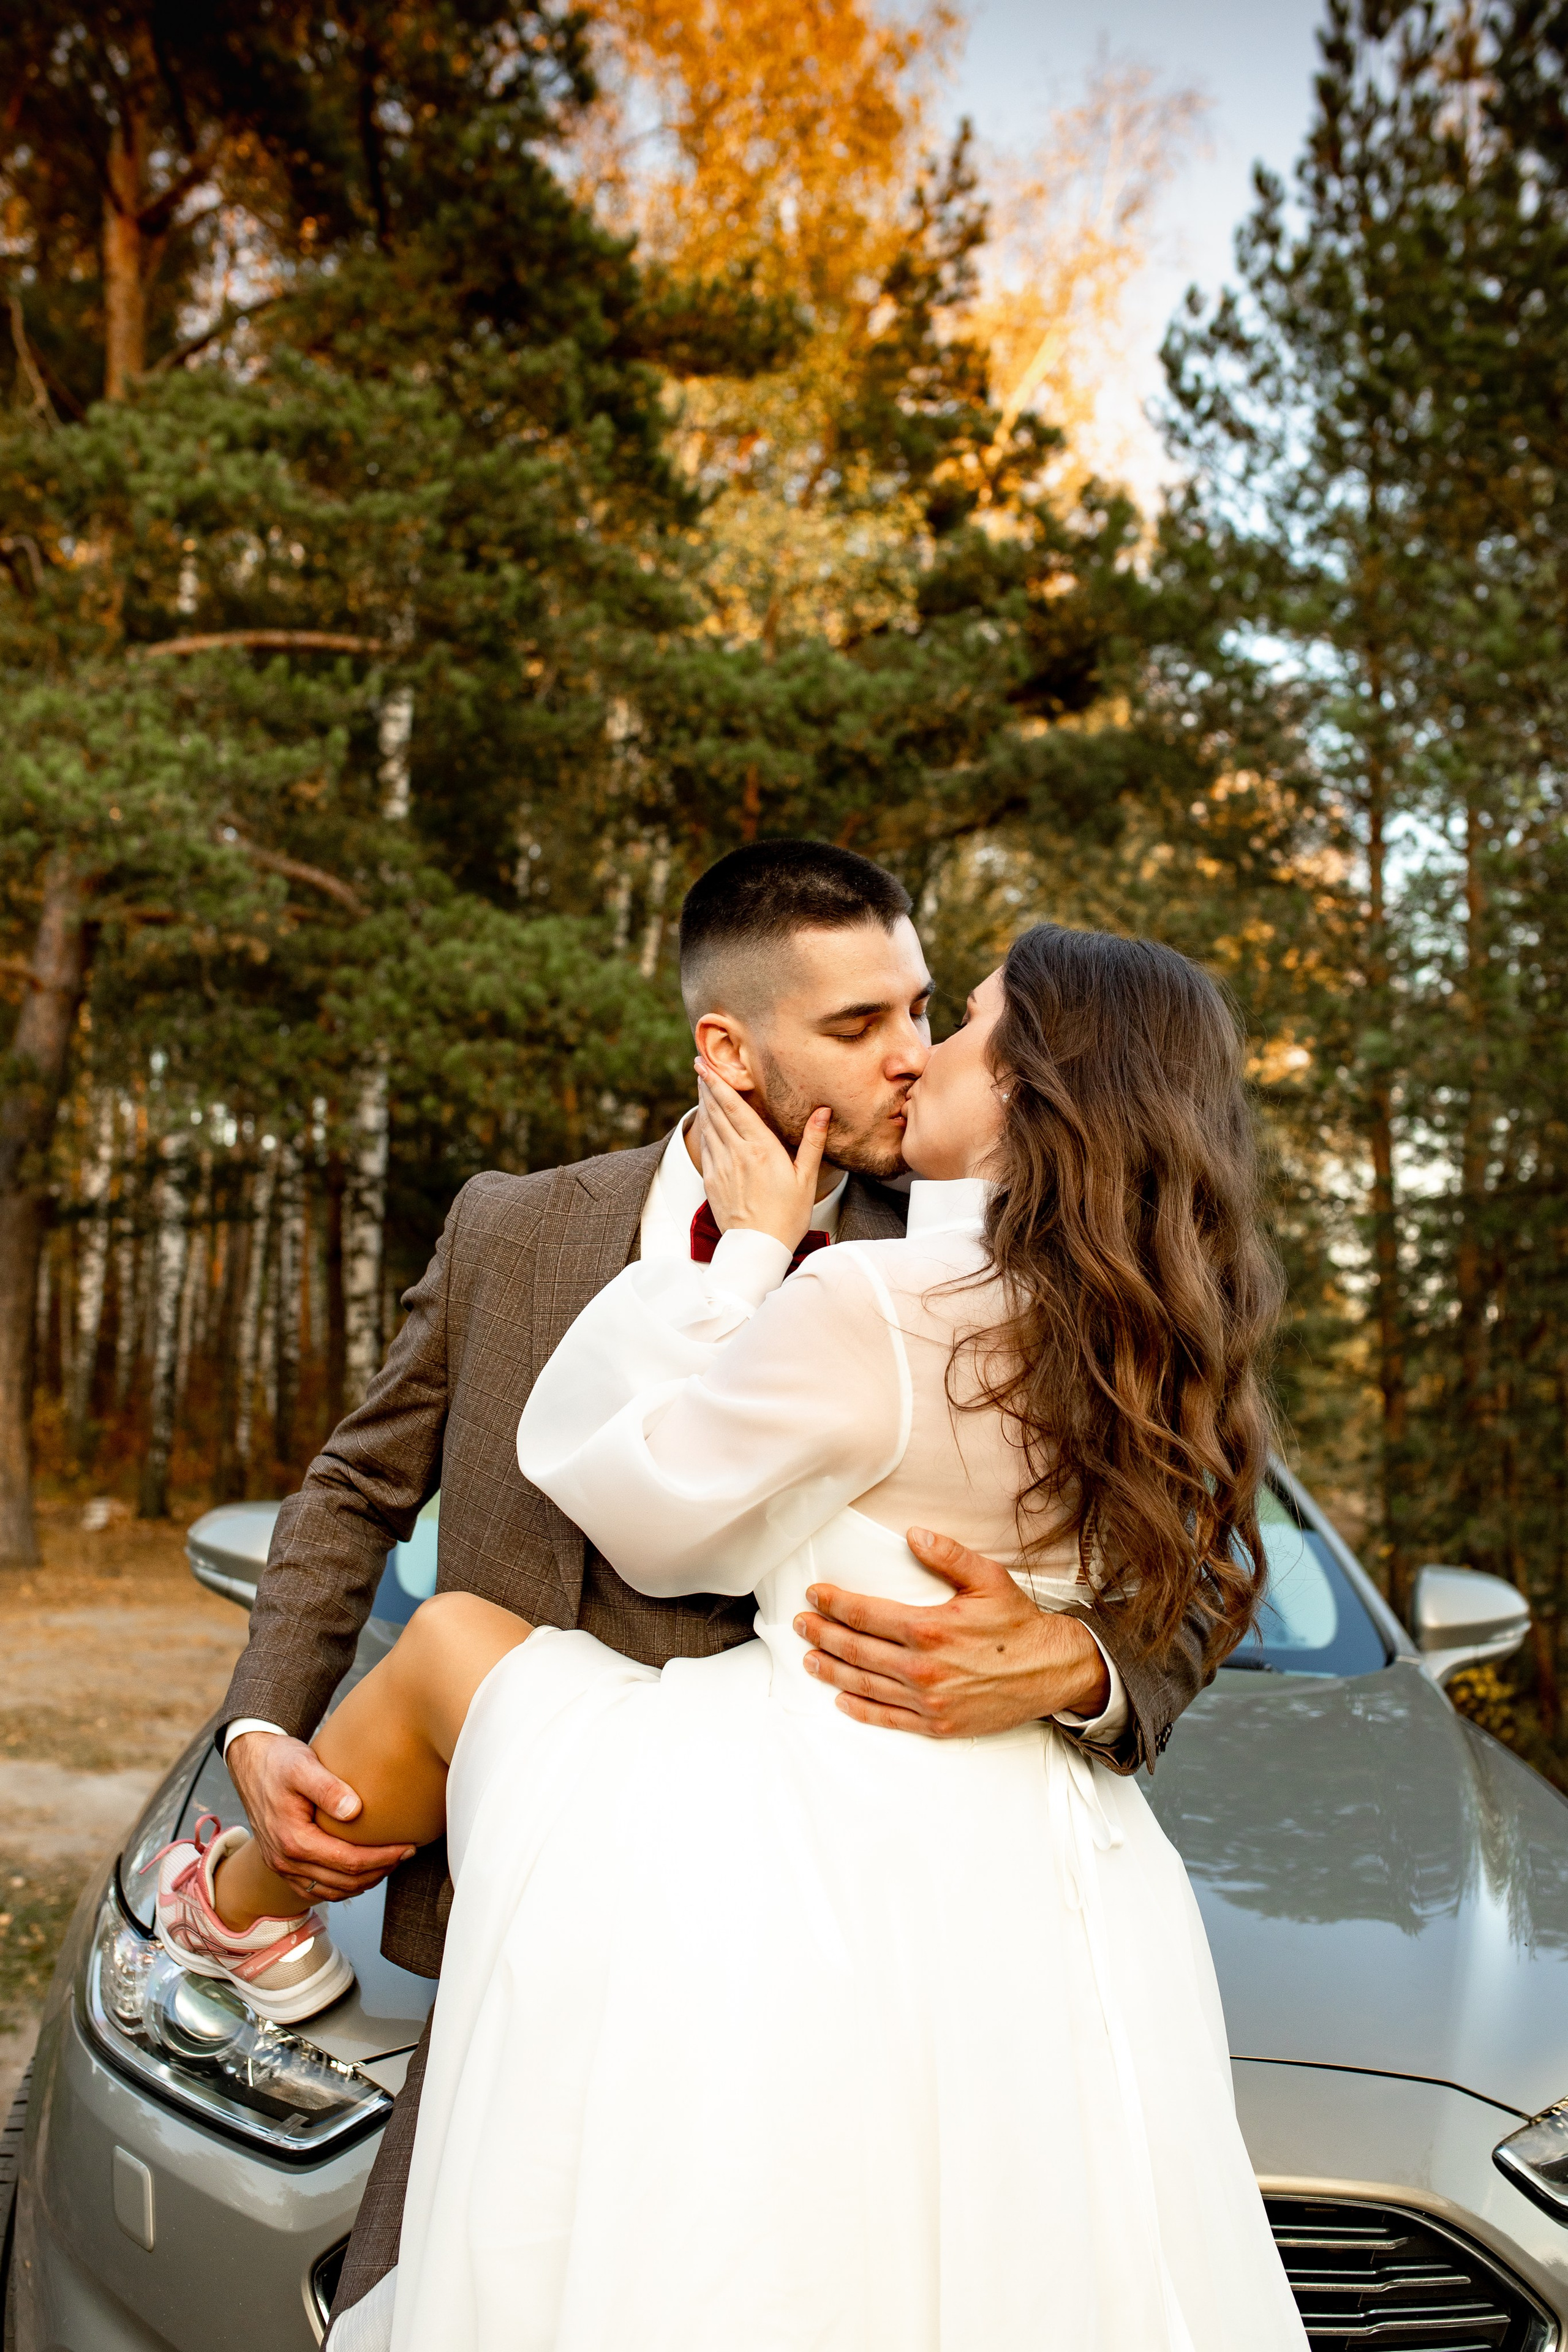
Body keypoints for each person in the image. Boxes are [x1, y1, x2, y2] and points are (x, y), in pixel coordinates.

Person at [168, 910, 1303, 2350]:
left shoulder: (935, 1268)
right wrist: (261, 1722)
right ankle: (238, 1899)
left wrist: (1085, 1665)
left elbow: (1196, 1574)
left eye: (932, 1016)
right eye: (861, 1027)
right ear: (727, 1048)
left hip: (806, 1889)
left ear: (1028, 1094)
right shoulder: (516, 1228)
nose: (909, 1057)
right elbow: (355, 1486)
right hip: (556, 1928)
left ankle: (226, 1910)